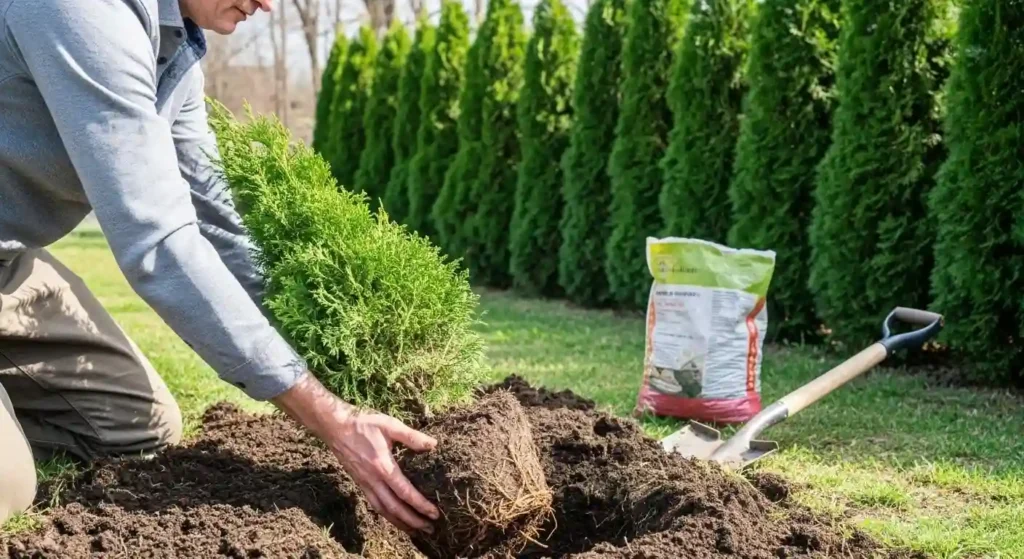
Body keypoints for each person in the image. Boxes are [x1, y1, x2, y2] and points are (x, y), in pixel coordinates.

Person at [0, 0, 439, 534]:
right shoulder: (80, 11)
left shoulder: (175, 49)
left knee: (139, 429)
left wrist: (329, 357)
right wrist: (332, 420)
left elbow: (218, 223)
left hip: (7, 266)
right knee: (9, 489)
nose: (269, 4)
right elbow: (158, 240)